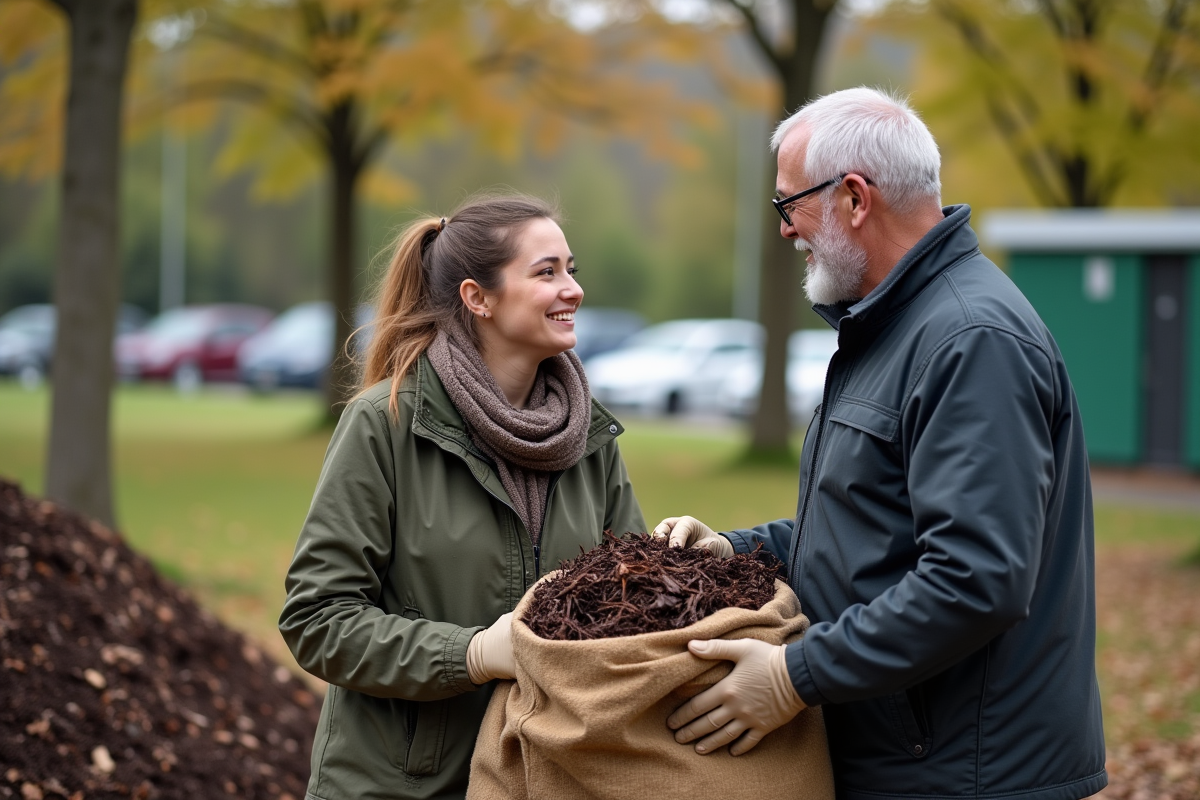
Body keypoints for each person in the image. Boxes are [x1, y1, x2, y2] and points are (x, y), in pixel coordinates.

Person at [656, 87, 1107, 800]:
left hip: (966, 774)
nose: (783, 230)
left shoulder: (969, 339)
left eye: (788, 205)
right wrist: (735, 550)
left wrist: (792, 676)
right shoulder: (892, 325)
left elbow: (975, 579)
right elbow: (871, 526)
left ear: (855, 198)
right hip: (918, 760)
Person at [279, 193, 646, 800]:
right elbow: (318, 620)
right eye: (546, 272)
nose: (573, 289)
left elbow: (627, 608)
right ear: (478, 298)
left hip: (547, 780)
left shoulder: (588, 436)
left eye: (571, 269)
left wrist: (680, 568)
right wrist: (473, 654)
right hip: (403, 788)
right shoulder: (385, 422)